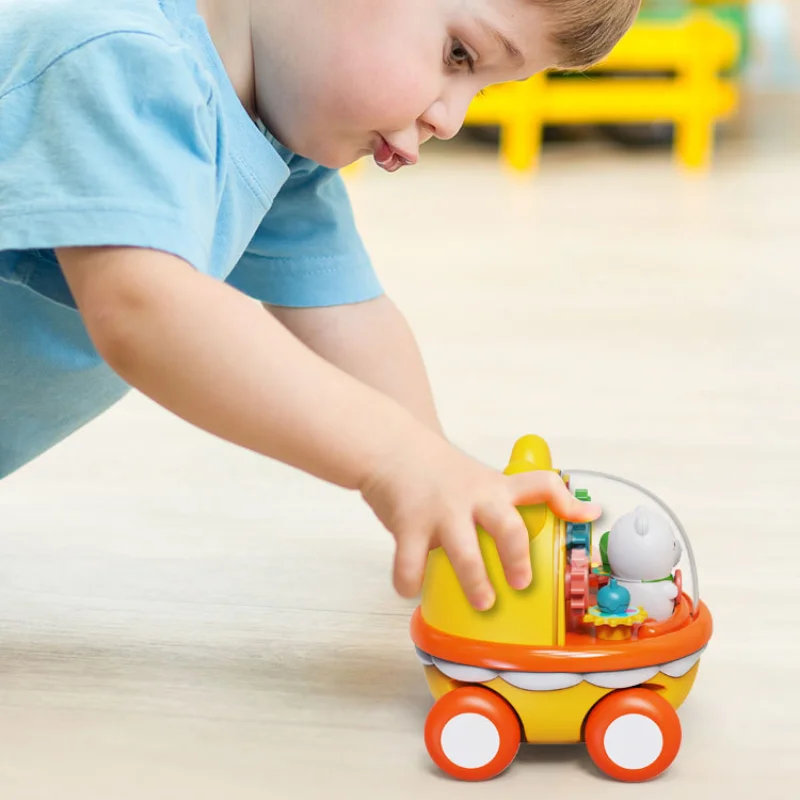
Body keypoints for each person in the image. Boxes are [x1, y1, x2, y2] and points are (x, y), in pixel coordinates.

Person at [0, 0, 638, 613]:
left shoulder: (275, 143)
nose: (451, 121)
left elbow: (348, 314)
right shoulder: (113, 55)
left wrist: (441, 481)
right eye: (460, 54)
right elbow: (145, 310)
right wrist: (393, 457)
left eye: (486, 89)